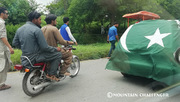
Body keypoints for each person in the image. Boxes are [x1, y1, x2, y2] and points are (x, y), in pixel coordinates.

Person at [12, 11, 61, 82]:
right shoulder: (37, 30)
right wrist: (55, 49)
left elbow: (14, 43)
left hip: (25, 57)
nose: (41, 21)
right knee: (58, 54)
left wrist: (25, 47)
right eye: (40, 19)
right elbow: (45, 47)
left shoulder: (19, 29)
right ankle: (51, 74)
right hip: (35, 57)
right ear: (34, 19)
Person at [0, 7, 14, 91]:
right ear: (2, 13)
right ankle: (1, 84)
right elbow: (2, 37)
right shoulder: (1, 23)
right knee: (2, 65)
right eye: (7, 13)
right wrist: (10, 47)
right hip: (1, 48)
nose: (7, 15)